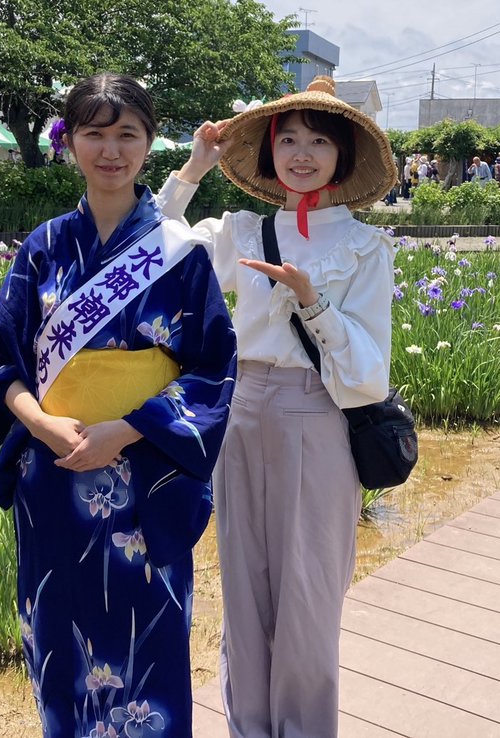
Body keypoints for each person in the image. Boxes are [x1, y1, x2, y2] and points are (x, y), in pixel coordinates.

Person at [0, 72, 236, 738]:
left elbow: (212, 368)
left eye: (128, 134)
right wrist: (36, 420)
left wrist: (123, 432)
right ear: (71, 143)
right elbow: (1, 358)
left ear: (150, 143)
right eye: (95, 133)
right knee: (61, 652)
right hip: (54, 482)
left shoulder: (182, 256)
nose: (111, 150)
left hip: (144, 481)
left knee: (147, 650)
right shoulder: (41, 250)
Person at [156, 76, 395, 738]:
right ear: (267, 151)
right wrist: (193, 168)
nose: (300, 152)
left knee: (309, 602)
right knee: (245, 594)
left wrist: (313, 305)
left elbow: (370, 376)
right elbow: (152, 248)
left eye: (319, 140)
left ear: (342, 156)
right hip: (244, 413)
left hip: (320, 420)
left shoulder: (367, 248)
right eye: (287, 138)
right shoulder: (243, 231)